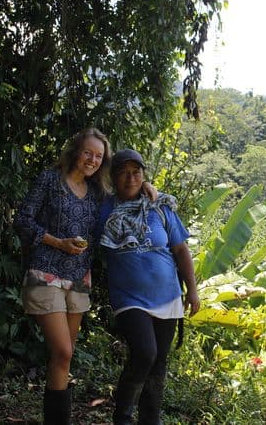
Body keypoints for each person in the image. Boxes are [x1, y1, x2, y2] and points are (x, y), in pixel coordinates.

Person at [13, 128, 156, 425]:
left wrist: (146, 186)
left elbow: (124, 192)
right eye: (88, 152)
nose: (92, 159)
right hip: (46, 273)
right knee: (63, 352)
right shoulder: (50, 180)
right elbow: (22, 220)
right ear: (76, 151)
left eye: (99, 156)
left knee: (64, 357)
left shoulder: (97, 194)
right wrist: (58, 242)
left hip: (78, 278)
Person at [97, 149, 200, 425]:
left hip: (168, 296)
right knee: (145, 352)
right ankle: (123, 417)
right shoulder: (104, 208)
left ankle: (150, 420)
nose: (130, 178)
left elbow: (180, 250)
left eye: (136, 172)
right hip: (129, 298)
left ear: (144, 176)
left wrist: (192, 290)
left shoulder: (160, 207)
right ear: (113, 177)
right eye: (123, 172)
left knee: (158, 365)